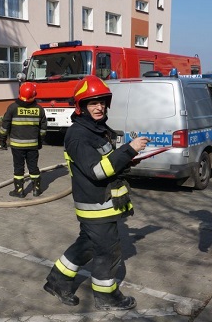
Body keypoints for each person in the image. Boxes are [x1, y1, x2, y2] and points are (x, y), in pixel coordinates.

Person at [43, 75, 148, 310]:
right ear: (81, 107)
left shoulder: (97, 130)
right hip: (95, 203)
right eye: (92, 102)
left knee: (87, 245)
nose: (99, 106)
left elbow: (107, 161)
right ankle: (107, 296)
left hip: (104, 201)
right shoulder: (79, 135)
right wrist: (129, 150)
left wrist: (127, 160)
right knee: (108, 251)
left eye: (102, 101)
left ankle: (56, 281)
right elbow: (97, 171)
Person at [0, 82, 47, 197]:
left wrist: (2, 141)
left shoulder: (13, 108)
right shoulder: (39, 109)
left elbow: (5, 126)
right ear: (34, 94)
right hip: (33, 146)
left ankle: (19, 191)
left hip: (17, 146)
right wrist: (39, 142)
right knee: (33, 167)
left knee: (19, 167)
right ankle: (36, 189)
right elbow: (43, 130)